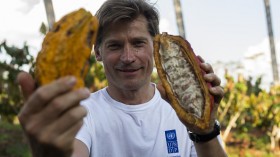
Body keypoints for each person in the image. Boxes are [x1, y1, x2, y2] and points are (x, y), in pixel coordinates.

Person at [17, 0, 228, 156]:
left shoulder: (187, 109)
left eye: (138, 43)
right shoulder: (82, 112)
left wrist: (204, 131)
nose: (128, 58)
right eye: (115, 45)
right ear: (98, 52)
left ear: (155, 49)